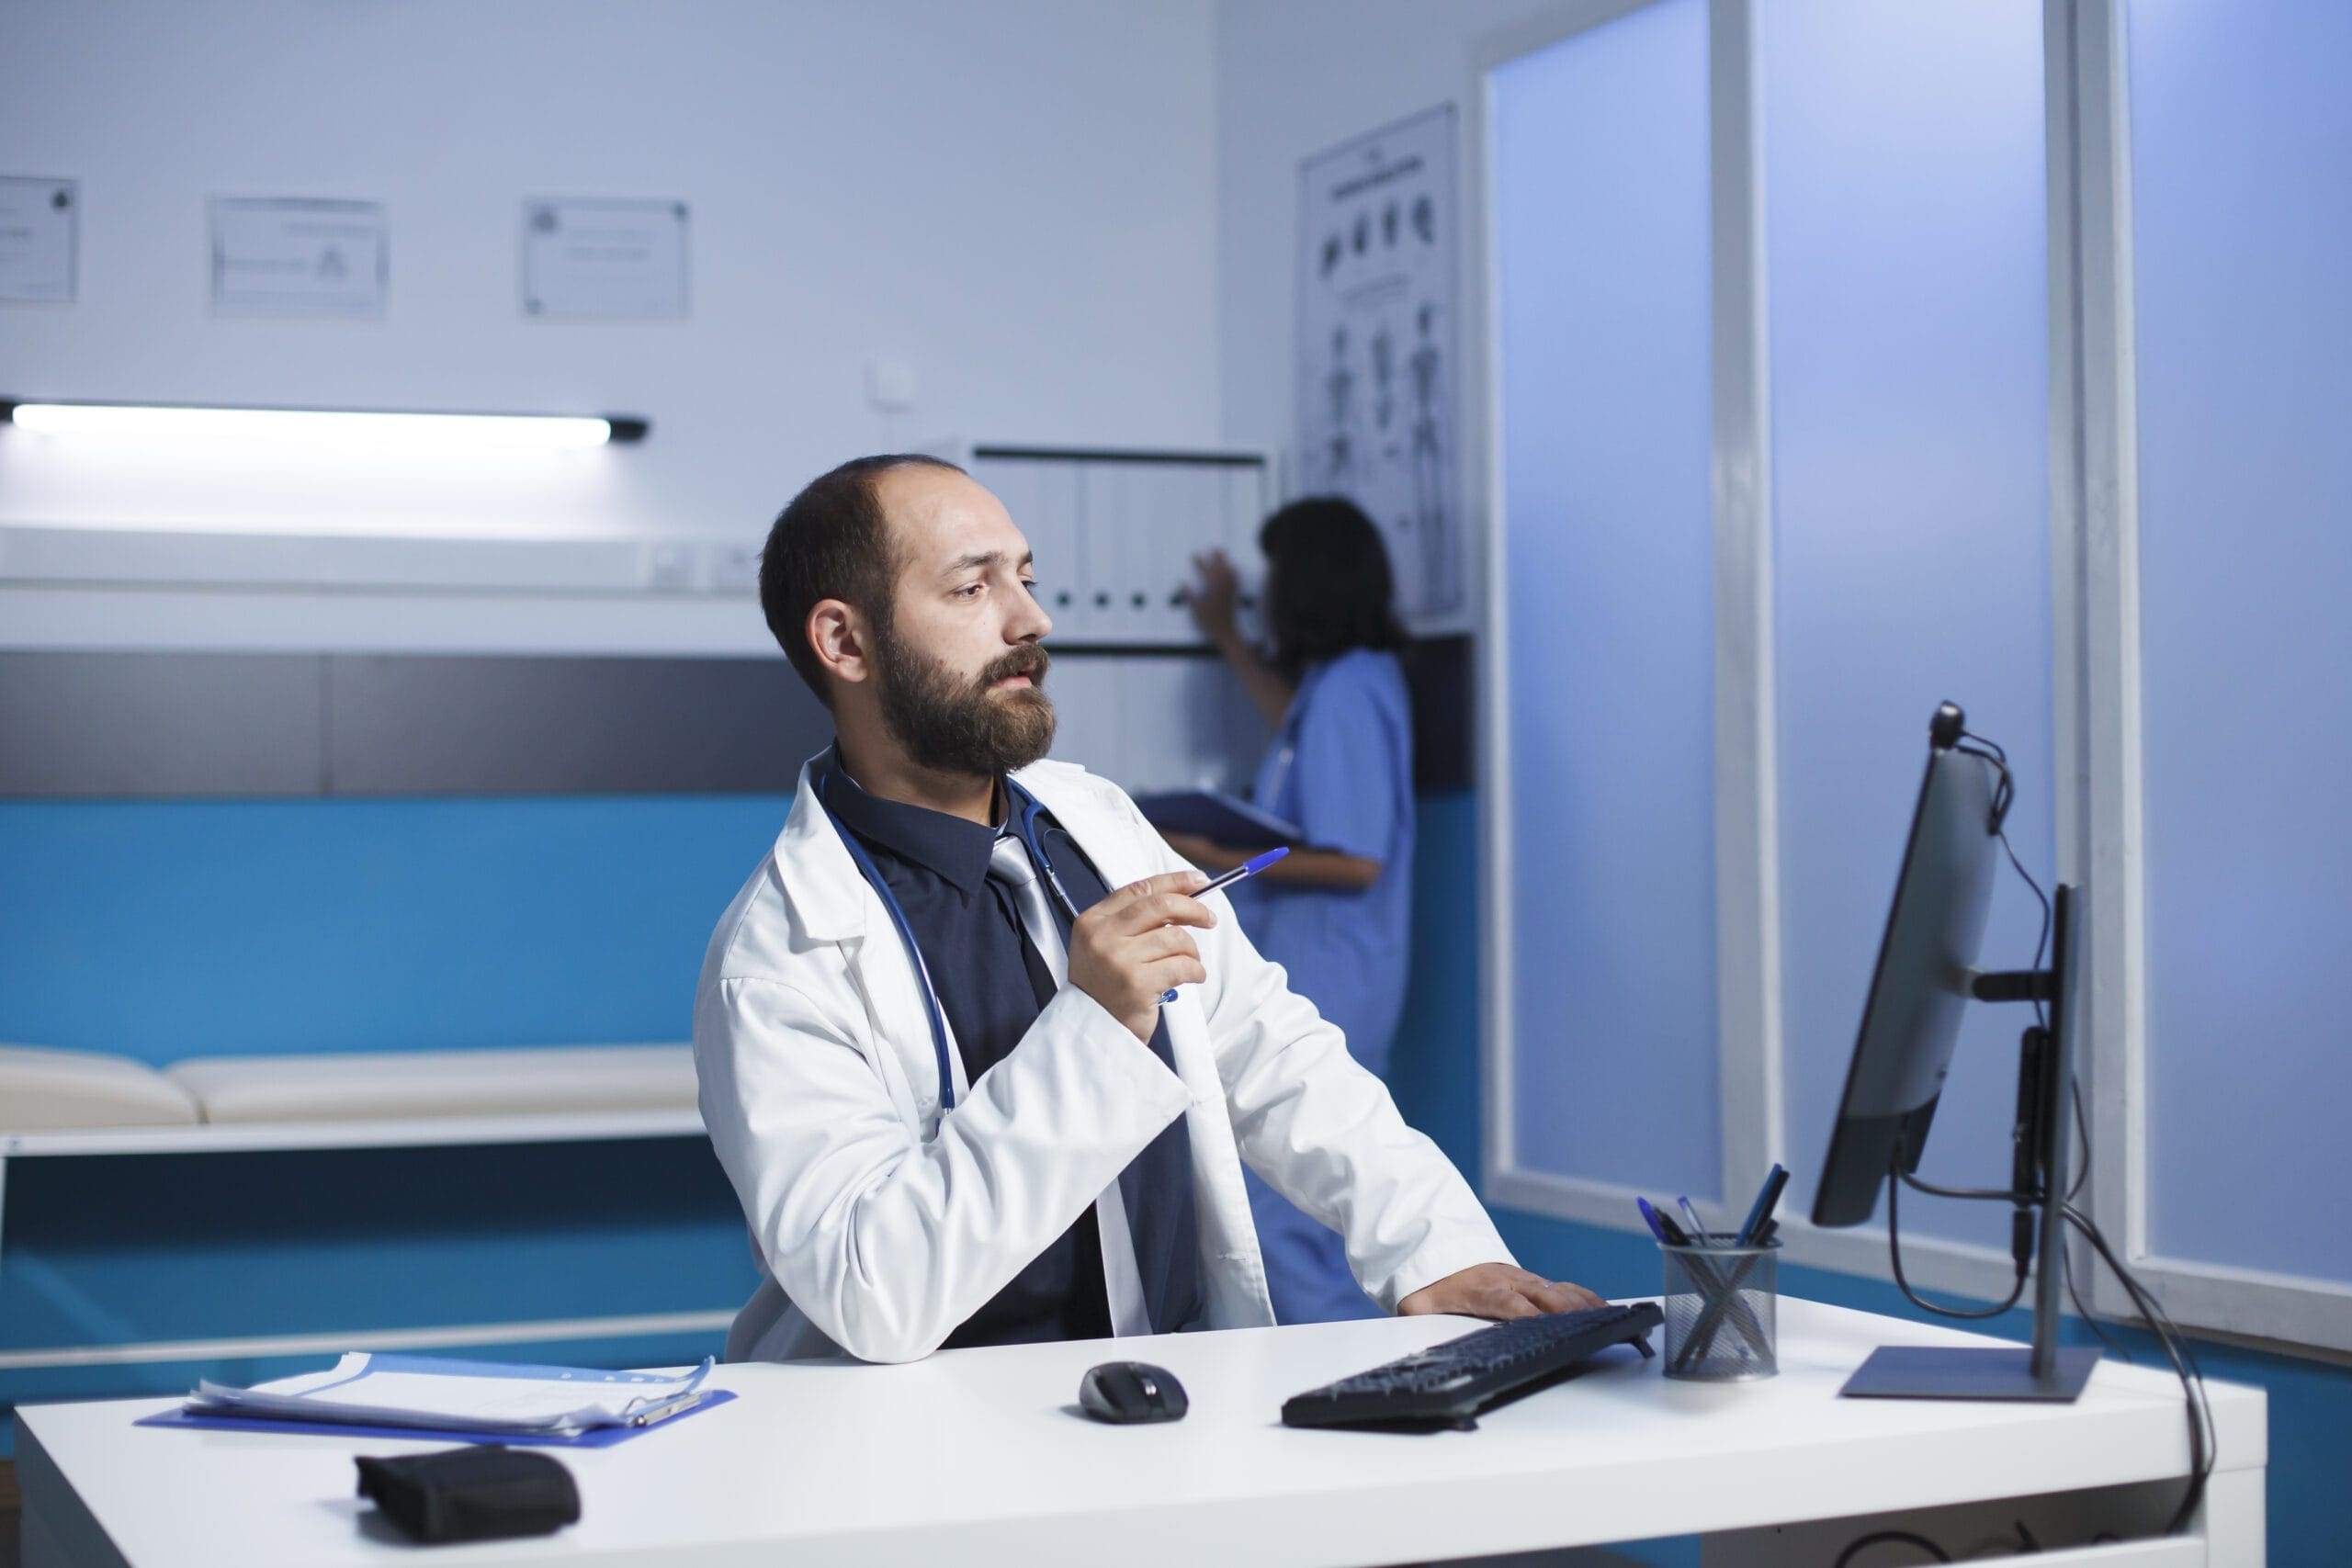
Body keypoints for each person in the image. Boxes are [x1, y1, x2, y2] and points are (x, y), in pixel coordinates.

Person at [695, 454, 1597, 1363]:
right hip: (926, 1451)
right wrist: (1092, 1025)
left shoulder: (1099, 825)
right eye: (972, 589)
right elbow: (873, 1290)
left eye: (1027, 577)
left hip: (1162, 1401)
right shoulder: (778, 958)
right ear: (844, 644)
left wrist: (1433, 1249)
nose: (1031, 620)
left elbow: (1273, 1054)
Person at [1171, 499, 1418, 1325]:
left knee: (1285, 1207)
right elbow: (1301, 735)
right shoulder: (1345, 684)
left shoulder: (1348, 689)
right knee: (1299, 1199)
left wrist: (1209, 854)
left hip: (1333, 975)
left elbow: (1357, 857)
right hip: (1336, 968)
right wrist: (1231, 641)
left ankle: (1347, 1385)